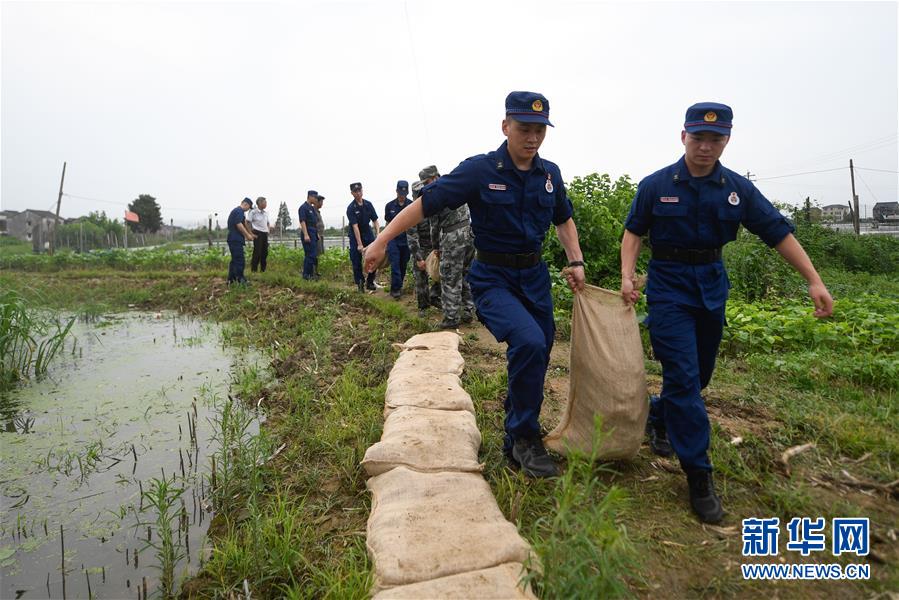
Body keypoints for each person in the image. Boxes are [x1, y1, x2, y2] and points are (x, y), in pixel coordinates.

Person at [620, 102, 834, 524]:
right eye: (698, 137)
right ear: (683, 136)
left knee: (698, 376)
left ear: (727, 140)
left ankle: (659, 416)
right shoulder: (656, 185)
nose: (705, 146)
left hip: (711, 287)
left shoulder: (736, 189)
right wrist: (628, 275)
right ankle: (699, 475)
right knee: (683, 377)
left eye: (715, 139)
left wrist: (814, 279)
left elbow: (777, 232)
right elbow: (633, 232)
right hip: (668, 288)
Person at [364, 91, 586, 478]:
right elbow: (425, 204)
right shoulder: (481, 170)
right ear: (506, 127)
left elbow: (563, 219)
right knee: (529, 341)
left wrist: (576, 260)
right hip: (493, 278)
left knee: (538, 348)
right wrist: (382, 240)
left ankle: (516, 435)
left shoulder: (550, 175)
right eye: (523, 128)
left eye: (539, 130)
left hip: (534, 278)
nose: (532, 138)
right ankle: (524, 437)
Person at [421, 165, 476, 329]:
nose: (425, 185)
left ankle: (451, 318)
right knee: (463, 275)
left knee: (449, 278)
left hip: (452, 238)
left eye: (426, 181)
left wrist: (436, 248)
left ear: (434, 177)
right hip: (469, 235)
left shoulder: (435, 193)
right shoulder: (457, 185)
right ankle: (468, 310)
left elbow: (433, 227)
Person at [408, 180, 442, 317]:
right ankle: (423, 306)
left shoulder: (432, 207)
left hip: (434, 247)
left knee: (441, 273)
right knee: (421, 279)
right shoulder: (411, 212)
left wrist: (438, 248)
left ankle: (434, 296)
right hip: (420, 248)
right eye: (417, 194)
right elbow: (412, 237)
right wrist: (418, 258)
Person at [346, 182, 380, 292]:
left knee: (374, 257)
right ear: (352, 193)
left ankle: (370, 281)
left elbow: (375, 221)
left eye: (359, 190)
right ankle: (360, 283)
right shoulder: (351, 208)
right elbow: (355, 227)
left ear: (362, 190)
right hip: (356, 236)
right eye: (355, 191)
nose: (358, 193)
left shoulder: (368, 205)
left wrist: (378, 235)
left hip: (368, 233)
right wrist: (360, 244)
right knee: (356, 260)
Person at [384, 180, 412, 299]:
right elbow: (387, 223)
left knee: (403, 264)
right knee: (395, 264)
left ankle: (397, 287)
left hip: (406, 239)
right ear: (396, 191)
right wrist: (384, 240)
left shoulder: (411, 205)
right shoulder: (389, 206)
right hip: (393, 239)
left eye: (404, 194)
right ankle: (396, 289)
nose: (402, 196)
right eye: (400, 193)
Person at [226, 197, 255, 285]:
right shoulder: (239, 211)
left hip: (233, 239)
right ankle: (240, 279)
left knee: (234, 260)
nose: (247, 210)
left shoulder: (238, 212)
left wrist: (250, 233)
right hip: (235, 239)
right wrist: (247, 236)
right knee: (239, 260)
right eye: (248, 207)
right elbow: (239, 224)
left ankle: (231, 280)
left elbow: (244, 223)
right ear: (245, 204)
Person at [248, 196, 272, 272]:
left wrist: (268, 230)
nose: (266, 204)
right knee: (257, 252)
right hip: (257, 233)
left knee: (265, 252)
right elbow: (248, 222)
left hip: (265, 234)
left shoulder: (266, 213)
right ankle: (254, 270)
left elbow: (268, 223)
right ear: (260, 203)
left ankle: (263, 269)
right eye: (265, 202)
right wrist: (250, 233)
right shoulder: (253, 212)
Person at [299, 190, 319, 280]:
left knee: (313, 254)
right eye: (315, 197)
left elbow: (314, 222)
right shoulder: (303, 207)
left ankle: (311, 274)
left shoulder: (312, 208)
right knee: (309, 254)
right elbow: (302, 221)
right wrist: (306, 234)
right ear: (310, 196)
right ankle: (306, 275)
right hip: (307, 231)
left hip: (313, 231)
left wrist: (316, 233)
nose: (315, 199)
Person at [314, 194, 326, 278]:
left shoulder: (317, 211)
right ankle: (313, 272)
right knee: (315, 254)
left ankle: (316, 271)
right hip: (316, 235)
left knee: (319, 254)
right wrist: (316, 234)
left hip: (320, 235)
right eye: (321, 202)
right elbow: (313, 224)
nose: (322, 204)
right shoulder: (313, 211)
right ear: (317, 202)